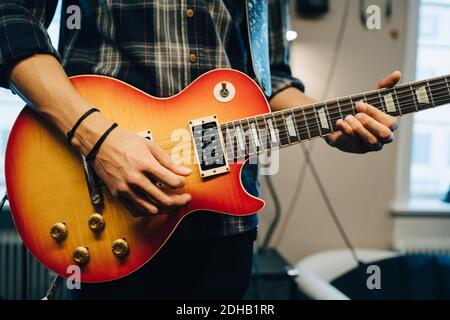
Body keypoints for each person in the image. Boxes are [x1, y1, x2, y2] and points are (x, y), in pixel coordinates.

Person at [0, 0, 398, 299]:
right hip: (109, 206)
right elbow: (10, 17)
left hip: (223, 228)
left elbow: (270, 79)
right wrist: (98, 139)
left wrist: (334, 121)